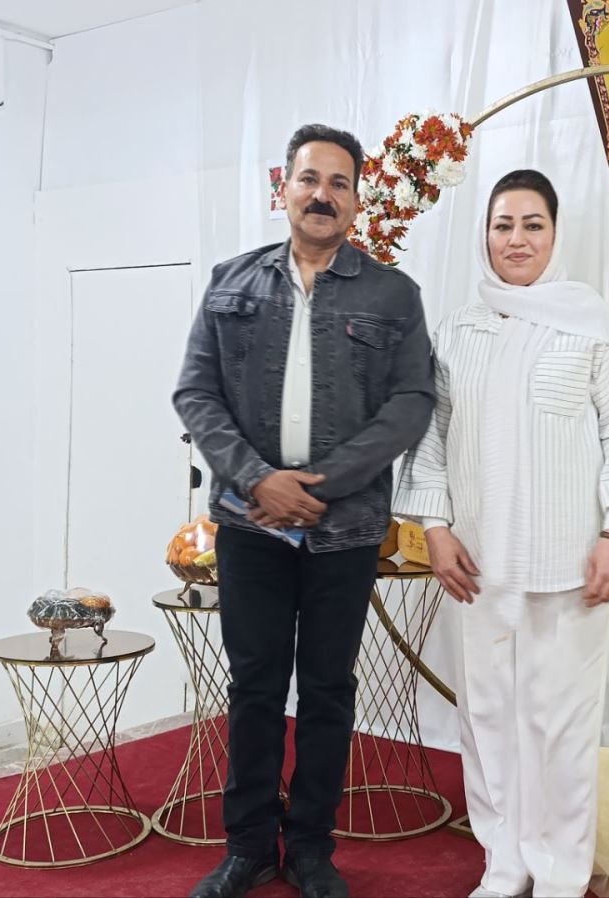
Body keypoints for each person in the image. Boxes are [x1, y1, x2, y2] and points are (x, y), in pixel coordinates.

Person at [176, 123, 436, 898]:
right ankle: (248, 847)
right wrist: (260, 480)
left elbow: (411, 403)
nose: (322, 195)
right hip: (249, 524)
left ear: (357, 199)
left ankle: (313, 849)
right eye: (309, 179)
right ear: (282, 187)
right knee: (254, 687)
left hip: (343, 529)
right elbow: (196, 392)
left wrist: (319, 485)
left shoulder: (393, 295)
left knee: (327, 688)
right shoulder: (230, 282)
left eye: (339, 183)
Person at [393, 169, 609, 898]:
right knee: (486, 716)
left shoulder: (591, 324)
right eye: (503, 225)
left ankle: (558, 873)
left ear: (555, 233)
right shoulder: (459, 330)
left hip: (571, 563)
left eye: (532, 224)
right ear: (484, 235)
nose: (517, 240)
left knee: (561, 722)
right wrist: (436, 528)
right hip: (479, 563)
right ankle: (504, 863)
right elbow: (430, 438)